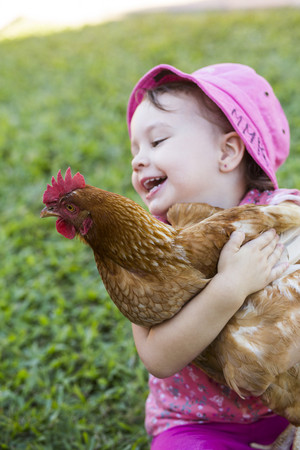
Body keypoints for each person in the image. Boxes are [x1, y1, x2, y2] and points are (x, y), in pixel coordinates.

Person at [126, 63, 300, 449]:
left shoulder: (282, 217)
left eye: (156, 142)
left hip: (288, 406)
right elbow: (158, 357)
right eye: (134, 149)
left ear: (227, 151)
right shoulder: (149, 249)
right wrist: (229, 287)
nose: (137, 160)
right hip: (199, 423)